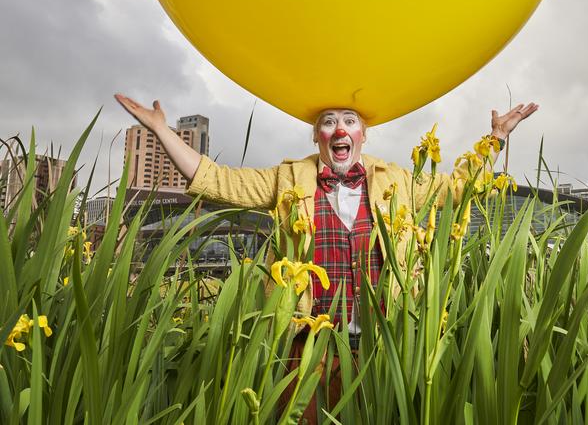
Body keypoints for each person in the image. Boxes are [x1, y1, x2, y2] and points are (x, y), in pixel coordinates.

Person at [115, 93, 537, 420]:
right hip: (307, 343)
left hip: (379, 341)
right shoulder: (287, 178)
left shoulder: (400, 181)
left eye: (349, 122)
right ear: (316, 135)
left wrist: (497, 137)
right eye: (328, 122)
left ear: (364, 134)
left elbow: (459, 187)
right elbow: (217, 180)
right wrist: (162, 131)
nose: (340, 130)